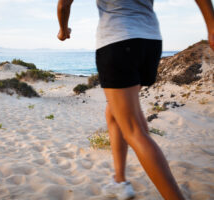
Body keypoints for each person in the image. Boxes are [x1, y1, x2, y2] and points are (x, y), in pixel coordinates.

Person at [57, 0, 214, 199]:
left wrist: (63, 30)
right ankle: (120, 180)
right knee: (113, 111)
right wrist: (211, 26)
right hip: (150, 43)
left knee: (134, 130)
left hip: (117, 41)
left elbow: (64, 5)